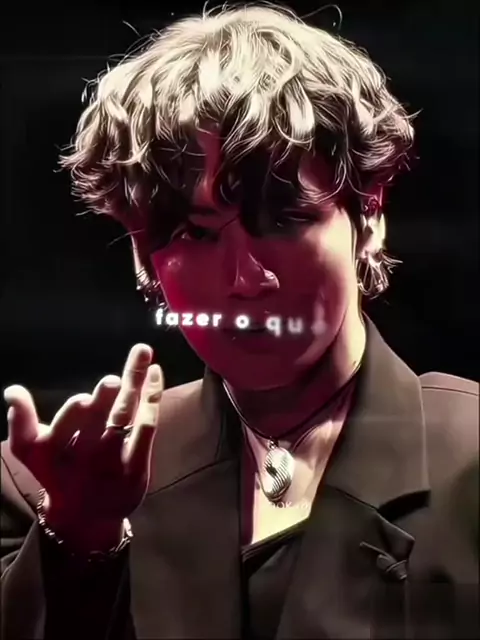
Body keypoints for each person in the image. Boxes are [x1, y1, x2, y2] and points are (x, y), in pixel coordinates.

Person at [1, 4, 478, 639]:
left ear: (369, 214)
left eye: (284, 219)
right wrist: (80, 540)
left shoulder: (471, 458)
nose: (246, 280)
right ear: (143, 251)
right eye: (197, 234)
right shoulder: (41, 488)